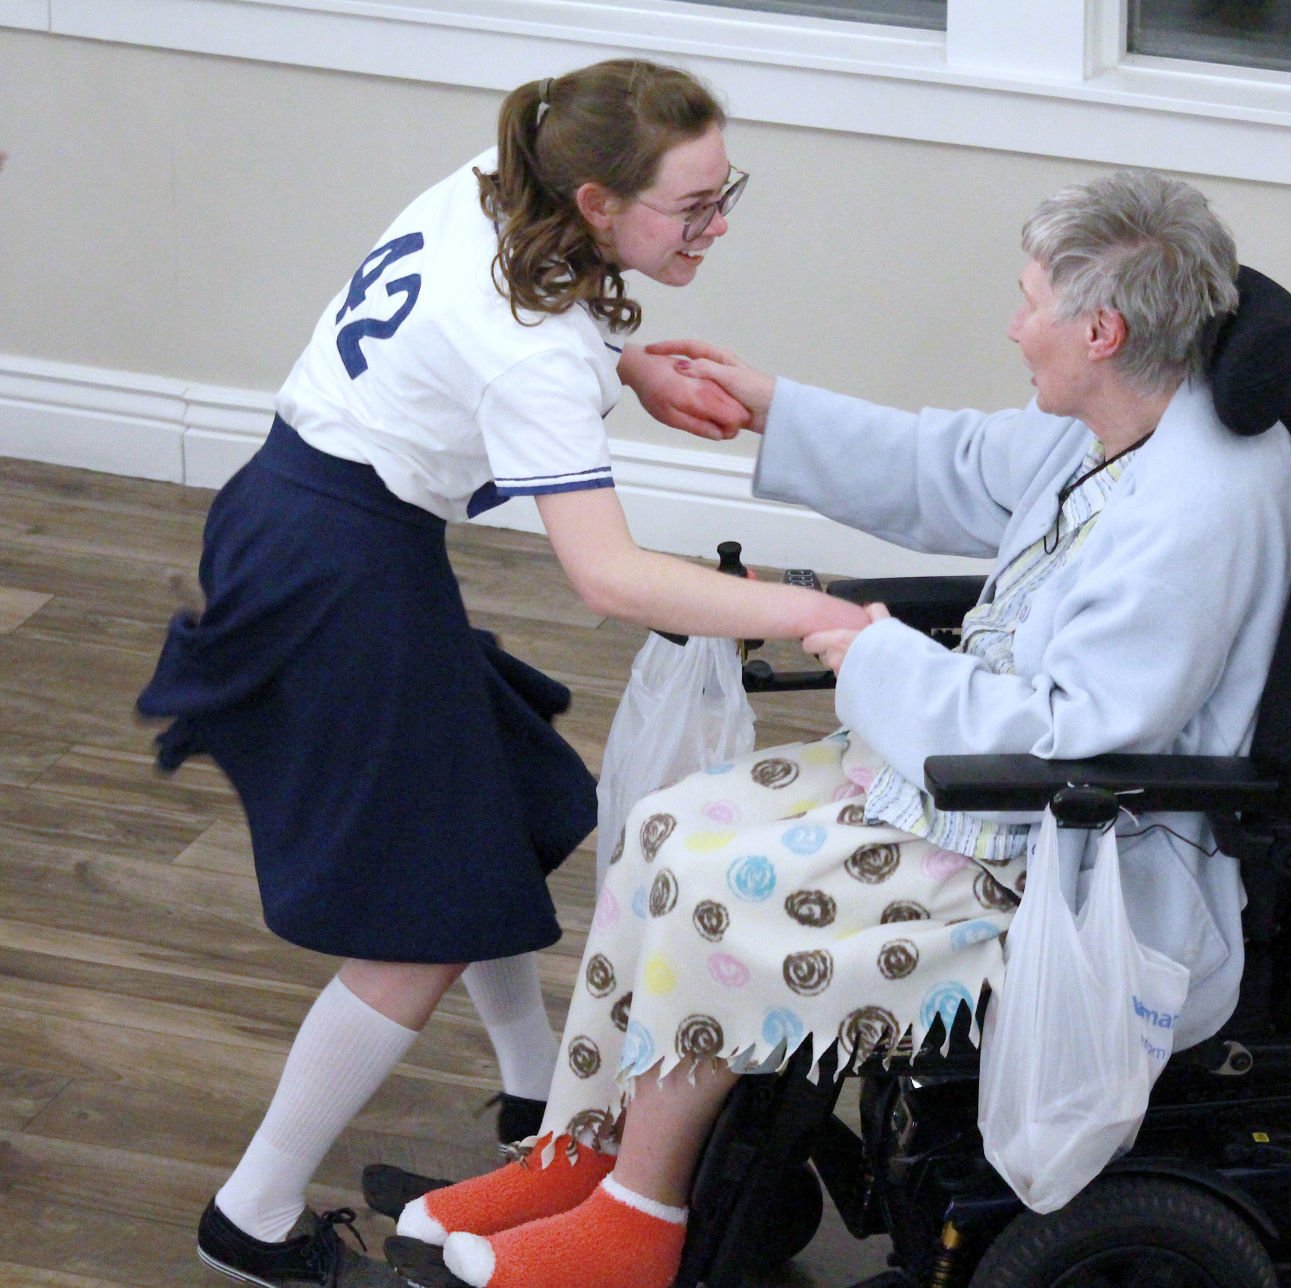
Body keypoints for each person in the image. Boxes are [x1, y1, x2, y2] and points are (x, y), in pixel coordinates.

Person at [389, 168, 1291, 1288]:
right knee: (670, 828)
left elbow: (1073, 738)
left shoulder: (1196, 511)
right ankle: (591, 1147)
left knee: (721, 892)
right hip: (975, 783)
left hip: (1068, 853)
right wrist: (774, 403)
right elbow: (960, 466)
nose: (1013, 325)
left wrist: (876, 654)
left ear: (1102, 329)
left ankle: (637, 1221)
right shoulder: (1140, 409)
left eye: (1029, 303)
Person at [136, 59, 869, 1288]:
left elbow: (484, 335)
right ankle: (249, 1218)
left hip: (308, 517)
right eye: (693, 206)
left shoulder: (491, 186)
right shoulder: (533, 348)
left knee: (515, 805)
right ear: (593, 201)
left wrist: (626, 369)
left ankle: (538, 1109)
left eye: (721, 190)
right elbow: (611, 577)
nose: (719, 223)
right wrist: (809, 606)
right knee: (420, 919)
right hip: (336, 567)